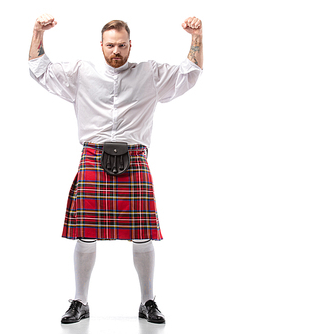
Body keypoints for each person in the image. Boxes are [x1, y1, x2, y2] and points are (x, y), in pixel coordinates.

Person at [28, 13, 203, 324]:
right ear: (101, 45)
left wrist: (196, 37)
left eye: (122, 45)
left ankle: (147, 301)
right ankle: (80, 301)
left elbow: (189, 74)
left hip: (135, 159)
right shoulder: (82, 72)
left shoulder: (150, 73)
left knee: (143, 235)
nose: (116, 51)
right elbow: (39, 70)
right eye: (111, 45)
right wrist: (38, 32)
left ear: (130, 45)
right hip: (93, 158)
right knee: (84, 235)